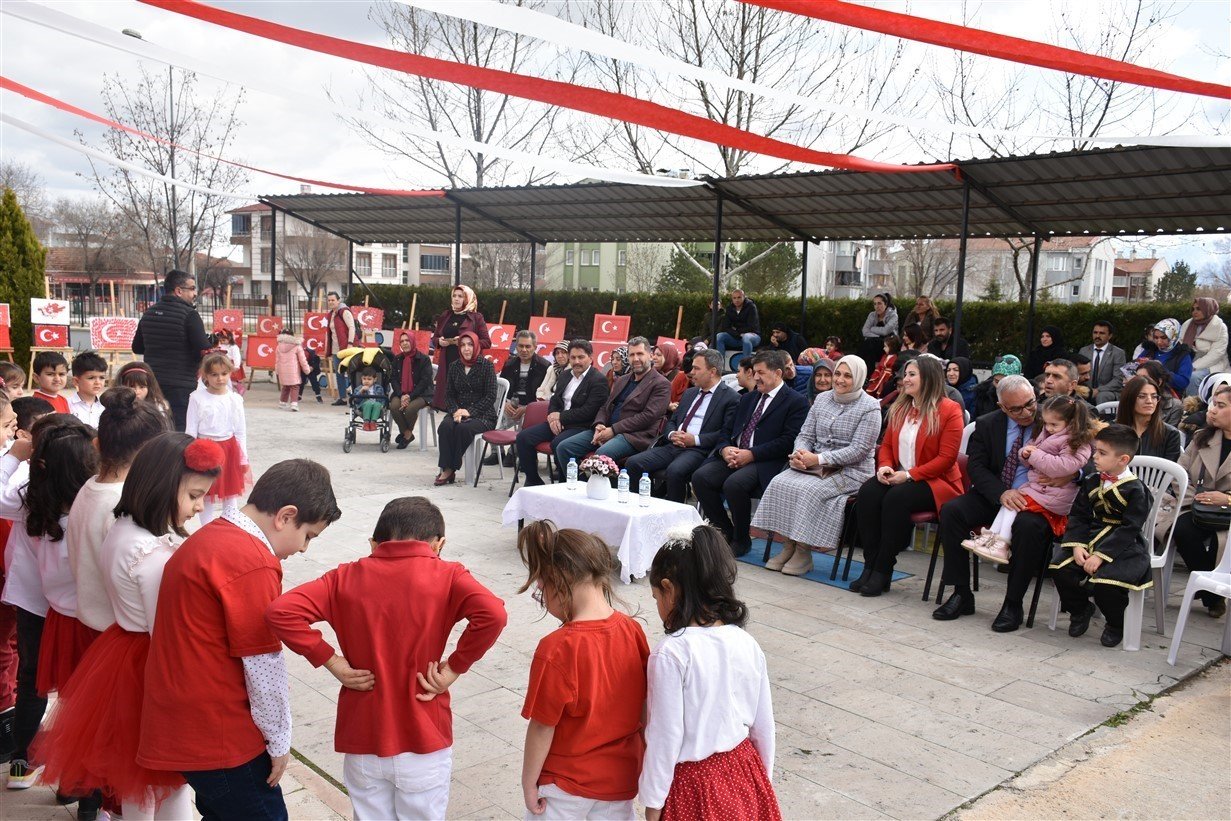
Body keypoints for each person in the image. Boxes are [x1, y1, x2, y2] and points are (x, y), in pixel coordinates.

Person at [267, 497, 507, 820]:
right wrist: (454, 667)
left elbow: (281, 612)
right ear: (439, 544)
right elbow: (493, 614)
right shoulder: (448, 575)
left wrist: (331, 660)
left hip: (364, 738)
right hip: (423, 736)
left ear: (373, 543)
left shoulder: (344, 577)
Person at [31, 433, 221, 821]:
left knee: (143, 784)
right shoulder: (151, 554)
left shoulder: (128, 526)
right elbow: (168, 628)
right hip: (150, 665)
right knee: (162, 781)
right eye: (195, 495)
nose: (200, 507)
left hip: (125, 653)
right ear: (162, 486)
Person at [138, 459, 342, 821]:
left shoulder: (213, 534)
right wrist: (279, 742)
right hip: (219, 734)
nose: (305, 548)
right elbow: (263, 665)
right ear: (285, 516)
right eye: (308, 535)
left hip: (187, 721)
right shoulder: (252, 560)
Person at [640, 528, 780, 821]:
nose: (657, 607)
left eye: (656, 597)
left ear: (669, 588)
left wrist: (652, 808)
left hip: (694, 788)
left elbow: (665, 739)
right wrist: (761, 782)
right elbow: (763, 727)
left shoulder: (671, 653)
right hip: (744, 773)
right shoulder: (746, 642)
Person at [516, 521, 649, 820]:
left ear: (557, 582)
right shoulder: (633, 631)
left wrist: (528, 782)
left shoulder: (557, 647)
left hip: (564, 787)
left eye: (542, 589)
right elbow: (644, 707)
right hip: (620, 781)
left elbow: (542, 726)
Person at [932, 375, 1072, 632]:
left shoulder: (1052, 418)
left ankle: (1013, 603)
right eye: (1016, 409)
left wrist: (1074, 473)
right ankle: (961, 593)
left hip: (1039, 498)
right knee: (952, 511)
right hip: (998, 494)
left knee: (1029, 528)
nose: (1027, 412)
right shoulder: (987, 424)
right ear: (1002, 407)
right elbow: (976, 466)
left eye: (1030, 403)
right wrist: (1001, 494)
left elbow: (1086, 450)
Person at [753, 355, 880, 576]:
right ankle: (788, 546)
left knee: (809, 491)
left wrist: (818, 459)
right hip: (814, 464)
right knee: (781, 482)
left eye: (847, 376)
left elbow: (858, 450)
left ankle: (803, 551)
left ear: (859, 378)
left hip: (851, 471)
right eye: (838, 374)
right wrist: (800, 453)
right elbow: (805, 434)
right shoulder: (822, 399)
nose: (840, 380)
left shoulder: (870, 408)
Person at [853, 356, 963, 596]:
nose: (906, 379)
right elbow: (887, 446)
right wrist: (884, 467)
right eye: (906, 374)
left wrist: (909, 475)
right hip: (899, 475)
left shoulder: (950, 410)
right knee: (869, 492)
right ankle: (870, 565)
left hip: (935, 481)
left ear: (929, 377)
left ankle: (883, 568)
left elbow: (946, 459)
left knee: (896, 498)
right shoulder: (901, 407)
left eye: (912, 374)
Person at [65, 388, 168, 640]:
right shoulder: (125, 504)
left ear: (97, 444)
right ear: (151, 453)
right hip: (116, 632)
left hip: (91, 622)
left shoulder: (89, 488)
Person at [692, 351, 809, 557]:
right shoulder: (747, 398)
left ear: (778, 373)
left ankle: (741, 538)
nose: (755, 377)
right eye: (754, 372)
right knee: (700, 477)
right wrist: (725, 448)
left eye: (761, 372)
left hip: (765, 461)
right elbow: (726, 430)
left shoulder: (795, 401)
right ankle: (726, 531)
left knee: (734, 484)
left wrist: (751, 454)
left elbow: (787, 441)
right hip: (735, 455)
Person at [1049, 424, 1153, 648]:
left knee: (1107, 584)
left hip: (1124, 545)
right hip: (1090, 535)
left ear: (1123, 459)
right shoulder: (1091, 481)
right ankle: (1080, 609)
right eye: (1096, 450)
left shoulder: (1137, 490)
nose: (1094, 456)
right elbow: (1079, 515)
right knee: (1060, 569)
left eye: (1102, 453)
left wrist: (1102, 555)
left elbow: (1131, 527)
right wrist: (1077, 545)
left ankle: (1116, 623)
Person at [962, 395, 1095, 565]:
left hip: (1054, 495)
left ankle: (1001, 544)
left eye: (1054, 424)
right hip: (1037, 488)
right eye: (1046, 423)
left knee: (1014, 506)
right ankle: (991, 538)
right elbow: (1032, 455)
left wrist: (1035, 454)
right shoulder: (1047, 433)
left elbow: (1062, 466)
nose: (1049, 428)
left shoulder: (1076, 441)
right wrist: (1024, 453)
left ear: (1071, 423)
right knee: (1009, 504)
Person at [1155, 383, 1231, 619]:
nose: (1213, 410)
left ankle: (1209, 589)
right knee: (1181, 529)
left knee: (1223, 543)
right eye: (1213, 405)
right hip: (1196, 506)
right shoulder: (1201, 437)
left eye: (1221, 406)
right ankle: (1213, 595)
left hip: (1228, 512)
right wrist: (1197, 498)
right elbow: (1180, 473)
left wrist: (1227, 498)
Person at [625, 349, 739, 504]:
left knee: (675, 471)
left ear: (712, 372)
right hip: (673, 445)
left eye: (697, 369)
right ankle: (644, 505)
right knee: (633, 463)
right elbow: (672, 420)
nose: (691, 373)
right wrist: (672, 434)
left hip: (699, 450)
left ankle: (675, 518)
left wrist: (695, 440)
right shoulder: (690, 393)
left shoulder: (731, 398)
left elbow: (726, 433)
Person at [555, 337, 671, 469]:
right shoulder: (622, 379)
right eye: (632, 354)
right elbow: (606, 406)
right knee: (564, 448)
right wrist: (599, 424)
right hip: (607, 429)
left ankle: (597, 488)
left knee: (602, 454)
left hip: (634, 435)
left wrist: (614, 430)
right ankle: (579, 487)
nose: (636, 359)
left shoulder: (661, 384)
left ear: (650, 356)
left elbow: (648, 416)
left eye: (640, 354)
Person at [516, 340, 610, 486]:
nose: (576, 361)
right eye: (573, 358)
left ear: (590, 358)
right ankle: (533, 481)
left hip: (580, 426)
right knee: (523, 437)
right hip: (557, 423)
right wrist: (553, 416)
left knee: (558, 444)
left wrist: (560, 417)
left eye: (581, 357)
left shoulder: (598, 380)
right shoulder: (565, 375)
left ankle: (565, 484)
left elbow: (589, 411)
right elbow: (555, 399)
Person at [132, 270, 209, 430]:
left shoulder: (148, 313)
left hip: (152, 383)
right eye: (192, 288)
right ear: (179, 290)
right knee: (180, 429)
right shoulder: (190, 315)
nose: (195, 293)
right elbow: (203, 349)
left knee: (154, 427)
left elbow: (137, 347)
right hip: (181, 384)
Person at [186, 352, 250, 524]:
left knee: (229, 492)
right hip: (204, 449)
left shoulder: (235, 399)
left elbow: (240, 431)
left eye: (223, 373)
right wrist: (187, 455)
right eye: (214, 374)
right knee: (205, 492)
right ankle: (205, 528)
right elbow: (191, 429)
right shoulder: (196, 398)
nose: (219, 378)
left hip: (229, 449)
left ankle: (230, 527)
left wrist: (244, 458)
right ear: (205, 375)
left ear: (230, 373)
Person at [435, 332, 497, 487]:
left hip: (483, 415)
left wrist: (470, 412)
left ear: (476, 346)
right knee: (445, 427)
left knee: (463, 429)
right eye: (462, 345)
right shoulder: (455, 366)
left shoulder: (487, 366)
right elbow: (448, 395)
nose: (466, 348)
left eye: (470, 344)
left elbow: (490, 396)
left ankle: (449, 469)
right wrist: (456, 410)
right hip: (458, 412)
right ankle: (445, 467)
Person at [431, 285, 491, 411]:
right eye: (454, 296)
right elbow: (435, 337)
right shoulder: (446, 315)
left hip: (468, 362)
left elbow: (486, 342)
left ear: (467, 299)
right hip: (447, 360)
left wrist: (467, 342)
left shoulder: (476, 317)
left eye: (460, 296)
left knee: (464, 403)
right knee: (449, 403)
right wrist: (440, 342)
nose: (456, 299)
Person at [496, 331, 550, 441]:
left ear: (535, 347)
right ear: (516, 346)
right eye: (521, 346)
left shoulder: (544, 367)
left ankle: (513, 454)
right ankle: (497, 454)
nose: (524, 350)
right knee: (492, 421)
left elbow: (547, 394)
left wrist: (527, 408)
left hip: (532, 407)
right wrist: (505, 404)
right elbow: (501, 389)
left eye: (528, 346)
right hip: (511, 405)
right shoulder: (509, 364)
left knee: (524, 432)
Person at [1116, 376, 1182, 462]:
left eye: (1154, 397)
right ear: (1129, 398)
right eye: (1142, 396)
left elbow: (1170, 471)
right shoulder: (1113, 431)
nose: (1149, 401)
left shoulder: (1170, 434)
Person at [390, 332, 434, 449]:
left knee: (410, 409)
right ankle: (408, 434)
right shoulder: (397, 359)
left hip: (422, 394)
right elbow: (393, 379)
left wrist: (410, 396)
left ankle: (405, 434)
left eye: (407, 340)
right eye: (402, 341)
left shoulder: (424, 359)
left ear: (413, 341)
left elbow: (425, 381)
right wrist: (402, 394)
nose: (404, 343)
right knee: (394, 406)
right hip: (401, 392)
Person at [1180, 298, 1229, 395]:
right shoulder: (1188, 324)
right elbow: (1181, 344)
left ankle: (1193, 405)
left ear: (1208, 309)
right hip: (1189, 360)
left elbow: (1216, 354)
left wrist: (1193, 366)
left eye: (1199, 309)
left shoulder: (1220, 327)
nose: (1195, 312)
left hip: (1213, 365)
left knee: (1193, 377)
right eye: (1193, 309)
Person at [1079, 320, 1128, 405]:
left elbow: (1118, 379)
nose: (1097, 336)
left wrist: (1098, 390)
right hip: (1087, 389)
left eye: (1102, 333)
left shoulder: (1118, 353)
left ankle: (1102, 418)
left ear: (1110, 336)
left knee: (1102, 396)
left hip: (1108, 391)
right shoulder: (1084, 351)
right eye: (1095, 332)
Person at [1142, 318, 1195, 395]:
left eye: (1163, 337)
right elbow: (1134, 366)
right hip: (1144, 391)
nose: (1159, 341)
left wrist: (1161, 370)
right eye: (1156, 338)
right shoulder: (1150, 349)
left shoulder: (1182, 355)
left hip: (1169, 397)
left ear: (1173, 337)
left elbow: (1183, 383)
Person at [325, 291, 359, 406]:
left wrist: (350, 343)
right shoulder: (331, 314)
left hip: (346, 347)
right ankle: (342, 398)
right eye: (329, 300)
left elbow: (351, 327)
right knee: (339, 373)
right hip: (336, 349)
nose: (330, 302)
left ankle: (356, 396)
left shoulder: (344, 311)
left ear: (338, 300)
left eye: (333, 300)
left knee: (351, 372)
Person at [714, 290, 761, 361]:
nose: (736, 300)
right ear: (732, 299)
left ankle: (745, 366)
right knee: (720, 336)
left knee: (746, 337)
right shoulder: (729, 308)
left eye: (739, 297)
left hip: (753, 336)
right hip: (737, 336)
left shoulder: (751, 307)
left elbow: (751, 326)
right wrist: (738, 334)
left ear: (744, 297)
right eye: (734, 298)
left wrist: (736, 330)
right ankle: (720, 365)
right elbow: (726, 327)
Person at [858, 292, 899, 372]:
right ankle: (862, 371)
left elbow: (885, 331)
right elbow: (864, 331)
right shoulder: (872, 315)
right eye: (875, 304)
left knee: (870, 344)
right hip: (874, 343)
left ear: (886, 304)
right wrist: (877, 336)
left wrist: (872, 329)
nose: (877, 306)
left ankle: (863, 372)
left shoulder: (893, 315)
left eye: (879, 303)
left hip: (889, 343)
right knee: (870, 344)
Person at [68, 350, 108, 428]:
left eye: (102, 377)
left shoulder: (106, 406)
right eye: (91, 378)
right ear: (76, 381)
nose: (98, 382)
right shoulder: (67, 405)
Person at [274, 331, 310, 412]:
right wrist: (307, 369)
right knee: (295, 386)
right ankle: (294, 404)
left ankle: (282, 402)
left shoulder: (278, 346)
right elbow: (302, 360)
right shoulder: (297, 346)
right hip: (293, 370)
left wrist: (277, 370)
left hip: (282, 369)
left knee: (286, 386)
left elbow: (277, 360)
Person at [865, 335, 899, 399]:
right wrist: (876, 375)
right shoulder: (884, 356)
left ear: (891, 347)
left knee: (882, 390)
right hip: (880, 376)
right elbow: (879, 367)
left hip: (887, 378)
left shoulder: (895, 357)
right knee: (873, 388)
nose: (884, 348)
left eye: (885, 347)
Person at [214, 329, 246, 396]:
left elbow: (237, 356)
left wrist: (237, 366)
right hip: (222, 363)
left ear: (230, 338)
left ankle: (238, 387)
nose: (222, 342)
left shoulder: (233, 347)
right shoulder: (220, 345)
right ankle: (229, 392)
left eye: (224, 340)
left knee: (230, 380)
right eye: (220, 340)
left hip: (230, 364)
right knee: (225, 380)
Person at [298, 340, 323, 405]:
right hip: (303, 368)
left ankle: (318, 396)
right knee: (301, 382)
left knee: (314, 382)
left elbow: (317, 360)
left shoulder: (313, 351)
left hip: (311, 368)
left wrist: (312, 367)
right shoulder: (299, 349)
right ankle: (299, 396)